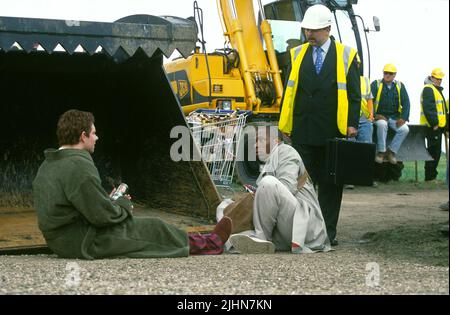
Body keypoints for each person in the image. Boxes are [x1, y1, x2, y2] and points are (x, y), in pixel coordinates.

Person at [33, 109, 232, 259]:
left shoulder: (50, 164)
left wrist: (110, 201)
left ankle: (204, 238)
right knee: (153, 228)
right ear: (83, 136)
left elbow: (80, 205)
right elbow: (101, 216)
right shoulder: (78, 165)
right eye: (93, 133)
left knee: (147, 228)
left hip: (63, 240)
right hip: (82, 241)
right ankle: (211, 244)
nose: (97, 137)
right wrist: (123, 206)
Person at [278, 4, 361, 245]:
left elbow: (354, 95)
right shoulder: (297, 54)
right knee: (302, 183)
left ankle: (327, 233)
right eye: (307, 30)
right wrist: (285, 122)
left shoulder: (346, 55)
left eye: (314, 31)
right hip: (303, 129)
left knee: (331, 184)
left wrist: (352, 124)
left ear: (327, 28)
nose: (310, 35)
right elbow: (289, 92)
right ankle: (303, 232)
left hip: (332, 130)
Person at [228, 128, 331, 254]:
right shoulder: (270, 160)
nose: (255, 145)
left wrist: (259, 194)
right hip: (286, 226)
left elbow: (287, 187)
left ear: (276, 141)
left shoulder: (286, 151)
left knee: (268, 183)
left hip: (304, 227)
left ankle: (261, 239)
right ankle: (245, 239)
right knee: (226, 204)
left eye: (260, 140)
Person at [371, 64, 410, 164]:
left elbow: (406, 102)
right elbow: (369, 102)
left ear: (394, 75)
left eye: (390, 73)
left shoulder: (400, 86)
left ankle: (391, 152)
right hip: (380, 116)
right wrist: (375, 115)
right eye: (385, 73)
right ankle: (381, 151)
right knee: (382, 125)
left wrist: (404, 118)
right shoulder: (376, 84)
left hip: (394, 117)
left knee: (405, 129)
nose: (387, 75)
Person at [420, 68, 448, 182]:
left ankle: (431, 176)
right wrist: (434, 123)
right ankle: (430, 177)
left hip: (438, 127)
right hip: (433, 127)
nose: (439, 81)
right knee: (433, 151)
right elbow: (429, 108)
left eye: (440, 79)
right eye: (437, 78)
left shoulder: (435, 89)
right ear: (431, 77)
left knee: (436, 152)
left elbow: (442, 110)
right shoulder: (428, 89)